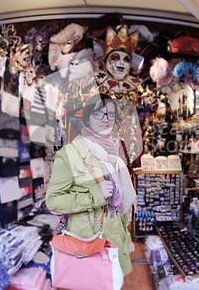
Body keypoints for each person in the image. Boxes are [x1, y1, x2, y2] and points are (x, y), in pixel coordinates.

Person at [46, 93, 136, 276]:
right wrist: (95, 195)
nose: (106, 120)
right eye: (99, 114)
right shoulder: (69, 154)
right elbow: (53, 201)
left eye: (110, 115)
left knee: (113, 282)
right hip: (89, 242)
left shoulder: (113, 153)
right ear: (87, 118)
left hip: (115, 239)